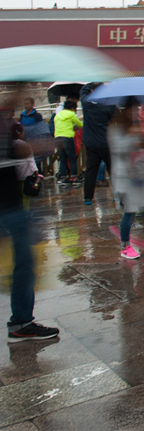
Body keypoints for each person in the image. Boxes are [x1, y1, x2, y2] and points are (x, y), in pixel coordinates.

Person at [2, 90, 59, 342]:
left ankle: (21, 321)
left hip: (10, 206)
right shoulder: (8, 131)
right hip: (9, 209)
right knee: (24, 266)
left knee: (23, 266)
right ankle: (21, 322)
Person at [108, 98, 144, 260]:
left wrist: (142, 139)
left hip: (134, 174)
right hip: (123, 176)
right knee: (129, 211)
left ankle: (126, 240)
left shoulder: (133, 128)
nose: (136, 113)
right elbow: (119, 149)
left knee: (132, 210)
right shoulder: (116, 129)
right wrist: (131, 137)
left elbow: (139, 147)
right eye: (133, 110)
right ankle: (125, 246)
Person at [80, 82, 117, 205]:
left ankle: (88, 197)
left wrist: (91, 84)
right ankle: (117, 195)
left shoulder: (87, 104)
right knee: (112, 170)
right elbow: (114, 118)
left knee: (91, 170)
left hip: (91, 143)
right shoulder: (108, 105)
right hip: (106, 142)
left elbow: (83, 91)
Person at [53, 98, 82, 185]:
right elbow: (79, 124)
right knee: (72, 158)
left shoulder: (57, 115)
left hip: (58, 138)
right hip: (67, 138)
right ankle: (74, 177)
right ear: (73, 108)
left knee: (62, 159)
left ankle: (63, 177)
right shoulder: (71, 114)